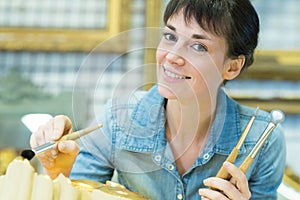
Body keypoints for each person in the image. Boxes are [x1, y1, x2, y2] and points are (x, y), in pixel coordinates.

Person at [30, 0, 286, 199]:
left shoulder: (262, 139)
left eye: (199, 46)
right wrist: (59, 173)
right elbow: (75, 193)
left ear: (231, 67)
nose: (171, 56)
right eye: (170, 36)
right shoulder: (117, 120)